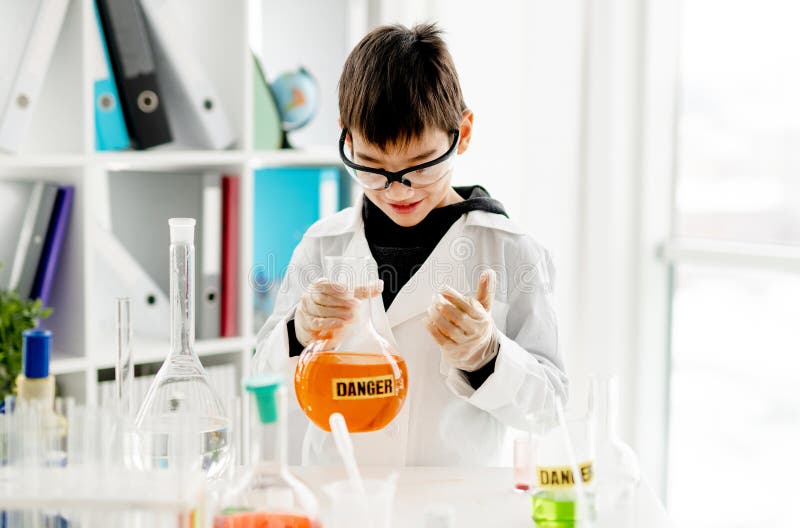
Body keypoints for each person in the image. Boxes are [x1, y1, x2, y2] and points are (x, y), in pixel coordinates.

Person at [253, 23, 567, 466]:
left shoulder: (511, 252)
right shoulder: (323, 247)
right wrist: (298, 331)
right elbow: (262, 378)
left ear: (464, 132)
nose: (397, 190)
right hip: (341, 498)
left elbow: (550, 408)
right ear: (346, 137)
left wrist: (486, 355)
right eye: (372, 165)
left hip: (451, 505)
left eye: (420, 165)